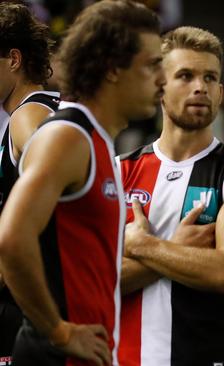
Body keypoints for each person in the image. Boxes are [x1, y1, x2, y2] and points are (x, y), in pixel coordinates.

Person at [0, 1, 165, 365]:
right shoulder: (67, 137)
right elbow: (11, 238)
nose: (162, 79)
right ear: (112, 69)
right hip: (53, 352)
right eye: (152, 65)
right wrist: (58, 331)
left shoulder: (95, 141)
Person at [117, 26, 224, 366]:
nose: (200, 86)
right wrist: (180, 249)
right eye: (185, 75)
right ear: (159, 86)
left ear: (220, 91)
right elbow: (93, 283)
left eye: (210, 78)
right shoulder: (120, 170)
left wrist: (144, 246)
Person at [0, 3, 60, 361]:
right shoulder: (40, 111)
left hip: (25, 314)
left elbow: (58, 211)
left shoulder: (28, 118)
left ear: (13, 60)